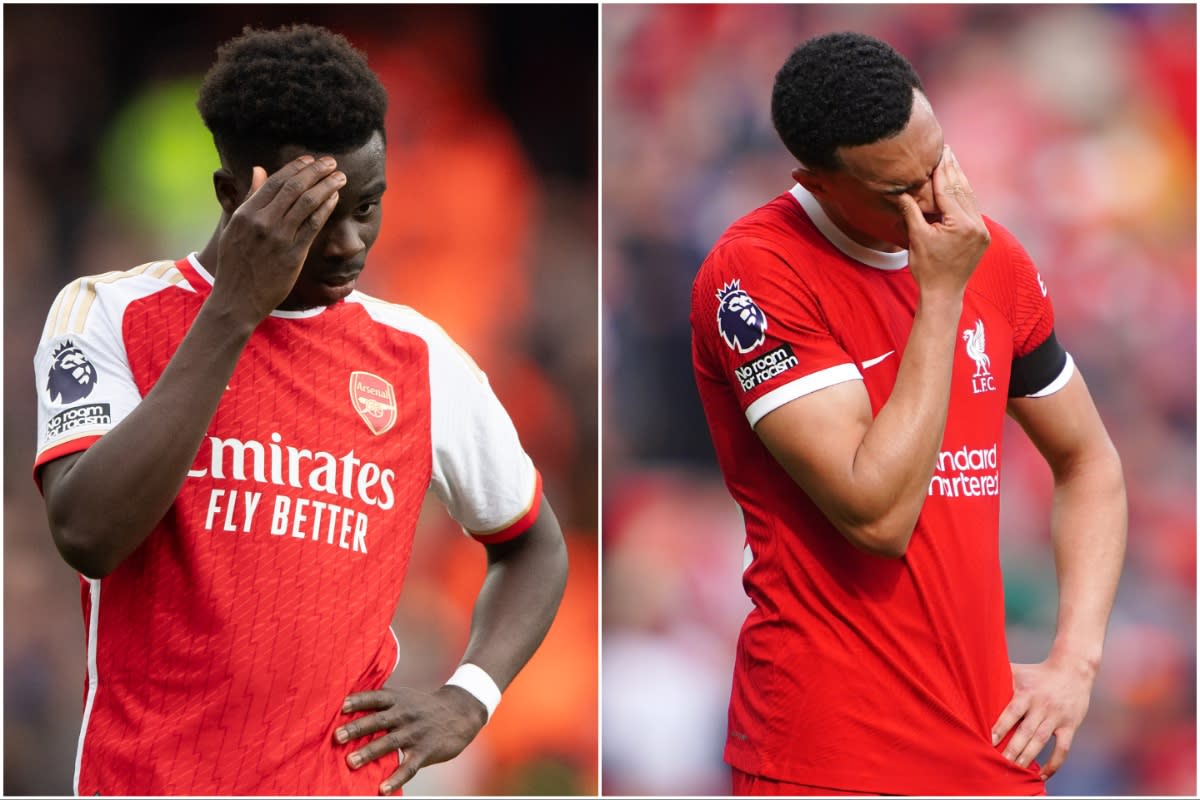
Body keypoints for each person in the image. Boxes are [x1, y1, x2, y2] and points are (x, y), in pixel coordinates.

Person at [33, 24, 568, 796]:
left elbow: (533, 546)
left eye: (371, 206)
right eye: (321, 217)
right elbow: (87, 535)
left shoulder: (417, 356)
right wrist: (234, 312)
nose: (353, 244)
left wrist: (468, 697)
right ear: (233, 197)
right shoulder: (108, 314)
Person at [690, 32, 1125, 795]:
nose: (936, 200)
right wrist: (943, 296)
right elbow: (877, 514)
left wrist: (1074, 663)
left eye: (936, 162)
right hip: (829, 756)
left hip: (993, 751)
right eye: (899, 190)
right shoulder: (757, 273)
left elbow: (1089, 462)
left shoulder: (995, 259)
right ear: (817, 183)